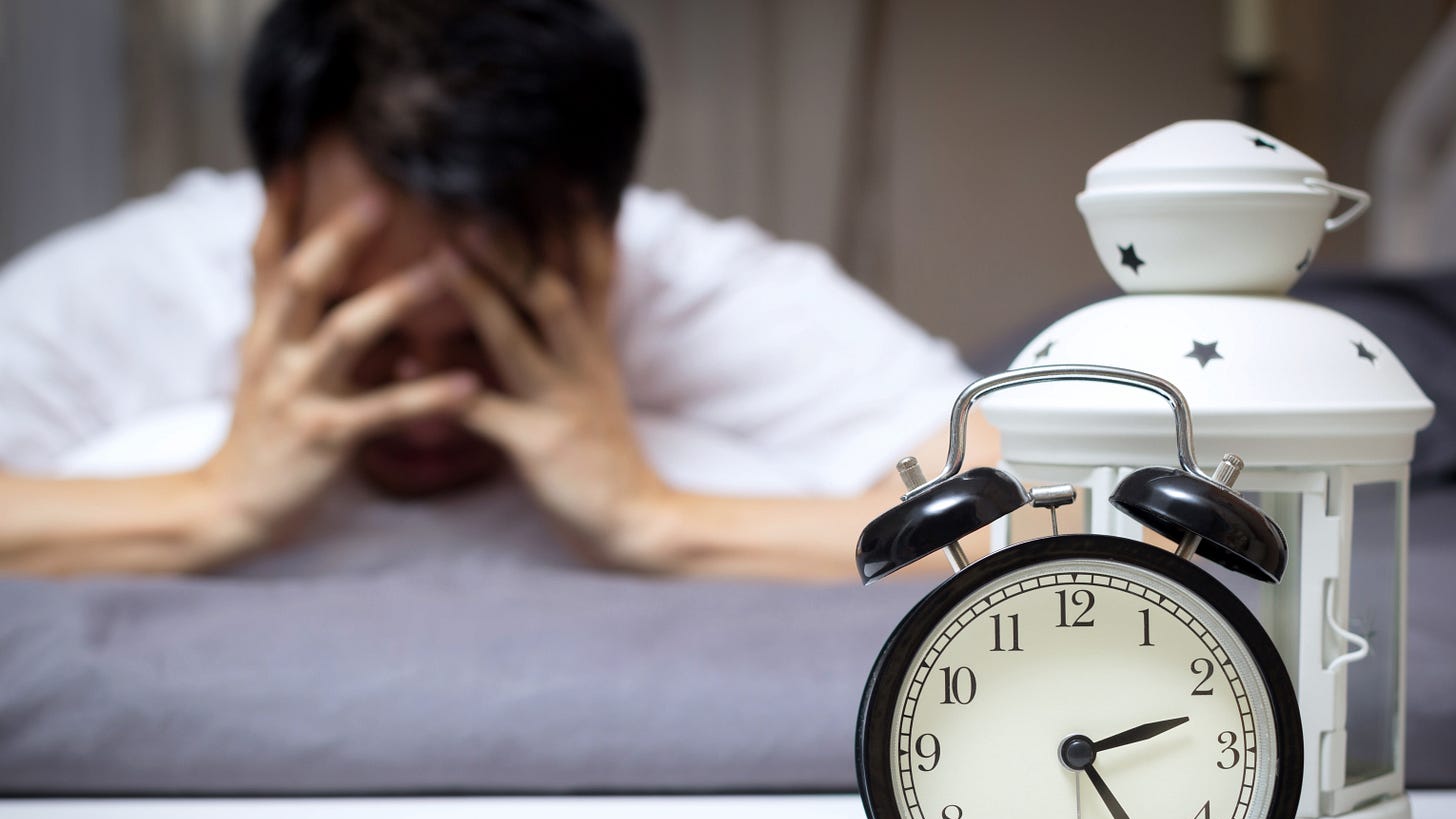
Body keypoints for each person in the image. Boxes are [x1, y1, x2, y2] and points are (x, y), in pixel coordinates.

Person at [0, 0, 996, 579]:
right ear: (275, 220)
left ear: (603, 237)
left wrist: (657, 515)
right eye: (364, 318)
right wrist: (202, 502)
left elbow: (1040, 505)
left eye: (492, 323)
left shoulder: (684, 280)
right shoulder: (167, 269)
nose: (426, 388)